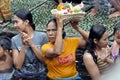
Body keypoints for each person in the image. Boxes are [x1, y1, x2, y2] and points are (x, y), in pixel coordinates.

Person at [41, 14, 88, 80]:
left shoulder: (71, 42)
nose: (50, 33)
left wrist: (76, 27)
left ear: (62, 32)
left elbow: (90, 40)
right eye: (48, 30)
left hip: (75, 77)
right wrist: (59, 27)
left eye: (54, 30)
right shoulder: (45, 47)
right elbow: (57, 51)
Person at [11, 8, 48, 80]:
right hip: (23, 75)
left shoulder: (42, 36)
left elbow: (45, 61)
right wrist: (23, 45)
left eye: (16, 22)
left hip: (40, 75)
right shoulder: (14, 40)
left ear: (26, 22)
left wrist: (31, 44)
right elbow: (18, 66)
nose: (14, 25)